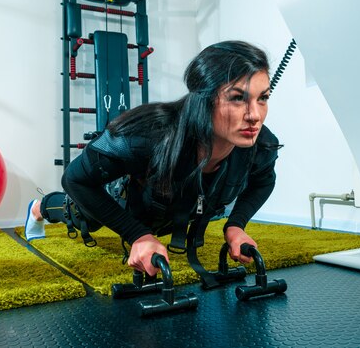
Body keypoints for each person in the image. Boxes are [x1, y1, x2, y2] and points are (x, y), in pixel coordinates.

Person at [25, 40, 281, 279]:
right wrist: (137, 234)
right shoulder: (145, 135)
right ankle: (39, 208)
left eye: (263, 98)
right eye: (238, 98)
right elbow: (75, 179)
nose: (255, 115)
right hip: (127, 199)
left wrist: (236, 225)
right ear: (203, 99)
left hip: (177, 208)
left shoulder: (260, 144)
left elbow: (264, 181)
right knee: (79, 214)